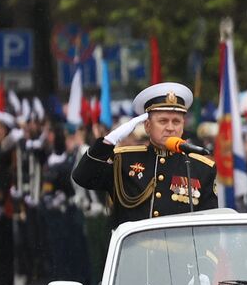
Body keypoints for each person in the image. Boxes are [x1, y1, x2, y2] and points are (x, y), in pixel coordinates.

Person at [72, 82, 218, 229]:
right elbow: (82, 176)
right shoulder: (124, 161)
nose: (170, 128)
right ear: (147, 126)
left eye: (176, 122)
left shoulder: (201, 168)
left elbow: (210, 226)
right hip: (134, 250)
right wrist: (109, 141)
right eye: (163, 121)